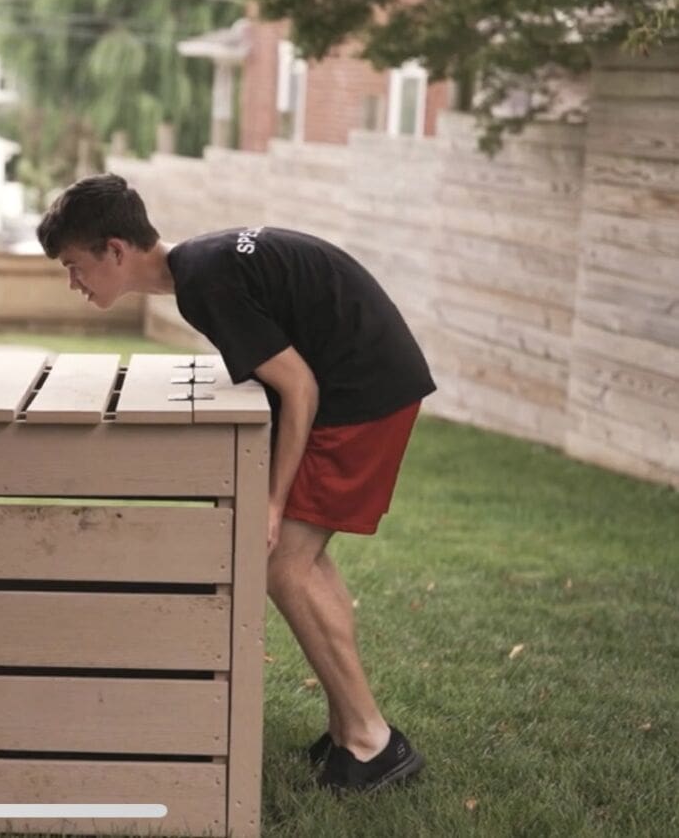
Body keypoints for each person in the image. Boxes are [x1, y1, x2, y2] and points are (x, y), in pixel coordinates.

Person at [37, 173, 433, 793]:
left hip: (363, 392)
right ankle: (347, 733)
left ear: (116, 250)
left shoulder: (205, 283)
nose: (73, 283)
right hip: (370, 377)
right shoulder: (203, 266)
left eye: (74, 265)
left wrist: (273, 501)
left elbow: (299, 386)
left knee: (285, 565)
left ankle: (372, 743)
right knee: (305, 562)